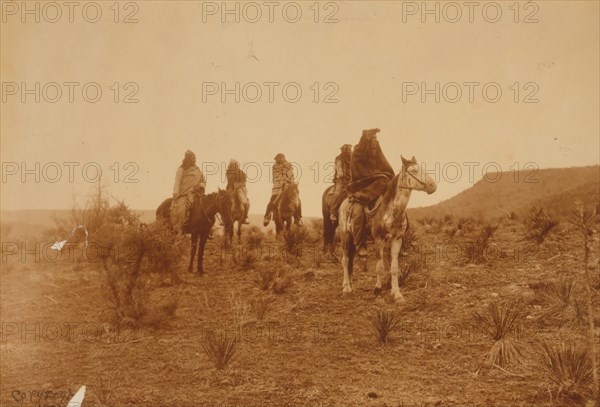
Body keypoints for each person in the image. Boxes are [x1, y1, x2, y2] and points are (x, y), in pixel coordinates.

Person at [346, 129, 395, 256]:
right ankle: (360, 244)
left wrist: (389, 176)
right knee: (358, 213)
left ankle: (400, 238)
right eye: (372, 138)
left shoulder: (376, 148)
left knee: (395, 204)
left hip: (377, 182)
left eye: (376, 138)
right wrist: (374, 175)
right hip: (360, 185)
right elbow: (357, 172)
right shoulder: (357, 152)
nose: (375, 141)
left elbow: (384, 165)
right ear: (365, 139)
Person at [171, 150, 206, 234]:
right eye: (193, 158)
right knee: (182, 209)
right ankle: (179, 227)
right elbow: (177, 182)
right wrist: (176, 193)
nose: (195, 160)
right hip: (185, 194)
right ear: (188, 159)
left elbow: (203, 180)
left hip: (197, 193)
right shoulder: (181, 169)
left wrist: (200, 186)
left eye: (195, 158)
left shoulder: (197, 170)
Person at [263, 153, 303, 226]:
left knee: (298, 201)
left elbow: (291, 175)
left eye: (277, 159)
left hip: (288, 186)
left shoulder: (289, 166)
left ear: (283, 158)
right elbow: (276, 176)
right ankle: (267, 216)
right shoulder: (275, 166)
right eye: (276, 159)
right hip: (277, 188)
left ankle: (298, 218)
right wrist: (282, 182)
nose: (276, 160)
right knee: (272, 201)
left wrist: (288, 182)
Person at [329, 144, 353, 223]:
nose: (350, 151)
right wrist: (347, 178)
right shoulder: (339, 159)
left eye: (350, 150)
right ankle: (333, 213)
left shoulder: (352, 158)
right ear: (344, 151)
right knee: (337, 193)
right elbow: (340, 172)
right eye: (348, 150)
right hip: (341, 180)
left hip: (351, 179)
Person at [226, 159, 250, 224]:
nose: (232, 166)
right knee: (224, 201)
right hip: (231, 189)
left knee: (246, 202)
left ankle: (245, 216)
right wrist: (231, 188)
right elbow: (229, 182)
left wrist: (238, 185)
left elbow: (244, 183)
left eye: (234, 165)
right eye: (231, 165)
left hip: (240, 189)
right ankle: (225, 217)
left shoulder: (242, 173)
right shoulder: (228, 173)